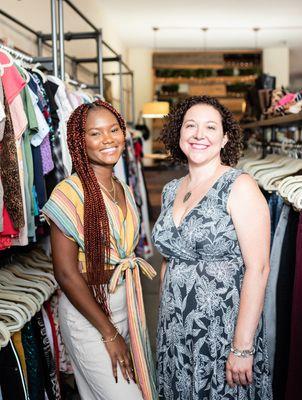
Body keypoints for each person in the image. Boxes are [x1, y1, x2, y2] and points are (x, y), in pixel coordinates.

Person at [152, 95, 272, 399]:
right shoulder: (170, 191)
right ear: (178, 134)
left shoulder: (239, 185)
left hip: (221, 329)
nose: (199, 135)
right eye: (190, 126)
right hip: (175, 328)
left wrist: (242, 346)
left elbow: (258, 268)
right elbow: (169, 259)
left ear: (224, 138)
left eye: (210, 127)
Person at [42, 100, 157, 400]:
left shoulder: (124, 188)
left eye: (114, 129)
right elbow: (65, 273)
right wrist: (109, 333)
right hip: (89, 316)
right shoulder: (69, 192)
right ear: (79, 141)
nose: (108, 139)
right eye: (95, 133)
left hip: (125, 308)